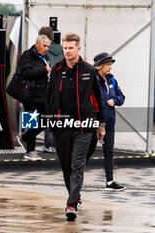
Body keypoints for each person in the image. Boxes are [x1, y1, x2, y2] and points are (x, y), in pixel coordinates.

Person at [46, 33, 105, 220]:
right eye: (65, 48)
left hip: (83, 126)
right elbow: (49, 97)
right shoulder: (56, 70)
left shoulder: (89, 70)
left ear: (79, 49)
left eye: (71, 48)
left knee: (77, 164)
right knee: (66, 166)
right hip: (61, 126)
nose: (67, 51)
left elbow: (98, 99)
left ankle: (71, 205)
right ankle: (76, 197)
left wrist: (100, 124)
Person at [85, 52, 126, 191]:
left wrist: (114, 100)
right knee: (87, 151)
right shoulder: (92, 80)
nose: (110, 68)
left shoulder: (112, 80)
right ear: (100, 66)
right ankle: (75, 178)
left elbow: (121, 97)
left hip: (109, 123)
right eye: (108, 65)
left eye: (111, 65)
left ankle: (110, 182)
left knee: (108, 152)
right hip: (94, 123)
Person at [16, 34, 51, 160]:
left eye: (48, 46)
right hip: (30, 95)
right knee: (32, 121)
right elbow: (25, 73)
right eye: (44, 46)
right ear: (37, 44)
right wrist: (44, 70)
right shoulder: (27, 55)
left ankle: (25, 137)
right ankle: (30, 151)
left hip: (42, 95)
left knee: (46, 120)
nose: (47, 48)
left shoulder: (45, 57)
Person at [38, 26, 64, 153]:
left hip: (46, 86)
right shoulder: (62, 50)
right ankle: (58, 144)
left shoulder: (43, 50)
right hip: (61, 85)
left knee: (47, 115)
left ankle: (48, 144)